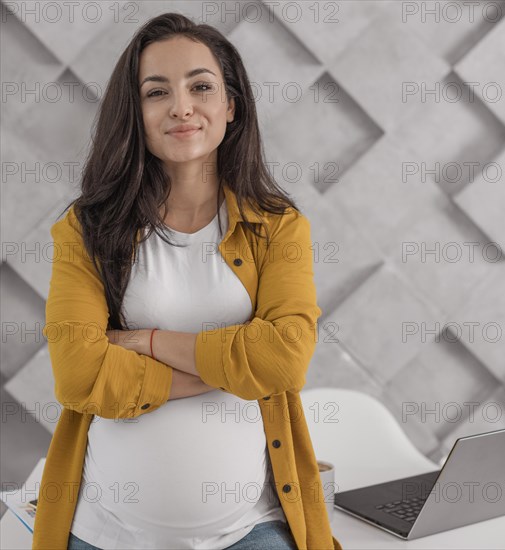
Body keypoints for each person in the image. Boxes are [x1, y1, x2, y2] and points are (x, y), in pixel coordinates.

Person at [33, 12, 342, 550]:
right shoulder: (86, 230)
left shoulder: (278, 227)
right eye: (157, 92)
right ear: (136, 113)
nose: (181, 107)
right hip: (107, 532)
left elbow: (284, 360)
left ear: (230, 106)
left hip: (253, 527)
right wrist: (227, 370)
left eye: (201, 86)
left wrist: (144, 342)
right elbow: (79, 374)